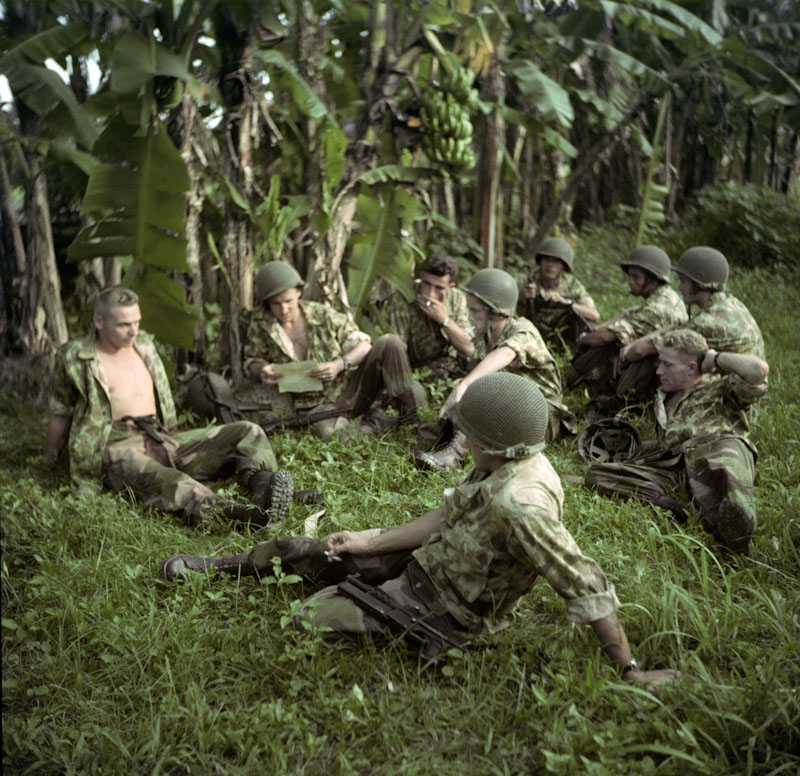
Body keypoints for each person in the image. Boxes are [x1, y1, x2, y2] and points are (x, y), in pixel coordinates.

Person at [159, 373, 678, 690]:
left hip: (447, 607)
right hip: (430, 560)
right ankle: (226, 567)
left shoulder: (523, 505)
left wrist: (629, 668)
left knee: (308, 617)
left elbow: (584, 583)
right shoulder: (501, 463)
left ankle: (372, 609)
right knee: (307, 548)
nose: (462, 443)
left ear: (496, 443)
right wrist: (370, 541)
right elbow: (448, 515)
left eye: (469, 436)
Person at [44, 287, 311, 525]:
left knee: (248, 431)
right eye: (124, 325)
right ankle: (235, 514)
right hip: (116, 444)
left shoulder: (143, 345)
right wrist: (49, 460)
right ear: (99, 322)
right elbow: (61, 412)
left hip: (160, 436)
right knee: (172, 481)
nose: (133, 331)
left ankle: (263, 487)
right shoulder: (75, 357)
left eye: (136, 322)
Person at [585, 329, 768, 554]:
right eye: (660, 363)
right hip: (679, 464)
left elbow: (758, 370)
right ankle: (686, 510)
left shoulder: (721, 388)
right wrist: (629, 445)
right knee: (598, 474)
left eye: (667, 365)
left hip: (718, 449)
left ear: (691, 368)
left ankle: (738, 530)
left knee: (725, 467)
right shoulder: (665, 398)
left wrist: (715, 358)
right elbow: (669, 444)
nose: (659, 371)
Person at [414, 268, 574, 471]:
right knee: (435, 428)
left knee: (479, 393)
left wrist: (465, 384)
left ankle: (455, 455)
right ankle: (453, 441)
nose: (469, 317)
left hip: (540, 412)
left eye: (475, 311)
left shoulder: (523, 330)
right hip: (509, 406)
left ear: (495, 313)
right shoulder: (484, 337)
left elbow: (506, 353)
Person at [242, 262, 421, 439]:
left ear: (298, 292)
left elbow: (364, 346)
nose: (284, 310)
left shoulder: (321, 314)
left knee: (389, 342)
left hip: (349, 389)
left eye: (288, 301)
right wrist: (262, 370)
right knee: (331, 435)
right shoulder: (262, 325)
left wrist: (339, 365)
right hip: (316, 406)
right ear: (267, 303)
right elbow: (252, 361)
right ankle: (374, 423)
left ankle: (411, 419)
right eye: (276, 304)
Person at [615, 247, 764, 409]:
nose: (679, 288)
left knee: (662, 359)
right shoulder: (728, 303)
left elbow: (640, 350)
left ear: (699, 283)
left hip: (732, 401)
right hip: (735, 387)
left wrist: (627, 354)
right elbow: (676, 328)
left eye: (683, 281)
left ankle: (625, 405)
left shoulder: (708, 322)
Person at [567, 246, 687, 399]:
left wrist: (582, 338)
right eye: (630, 276)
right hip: (662, 370)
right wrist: (598, 328)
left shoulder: (658, 308)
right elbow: (629, 313)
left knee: (607, 345)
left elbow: (607, 337)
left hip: (657, 377)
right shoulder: (668, 297)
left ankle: (570, 381)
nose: (630, 282)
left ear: (653, 279)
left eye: (636, 277)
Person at [380, 252, 473, 382]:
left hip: (449, 369)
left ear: (450, 287)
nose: (430, 293)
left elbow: (468, 349)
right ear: (421, 278)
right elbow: (397, 349)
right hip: (412, 371)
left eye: (439, 288)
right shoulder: (403, 297)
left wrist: (443, 319)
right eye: (426, 284)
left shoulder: (456, 298)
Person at [519, 237, 599, 351]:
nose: (550, 265)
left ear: (564, 265)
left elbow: (594, 315)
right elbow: (499, 307)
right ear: (540, 261)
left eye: (556, 261)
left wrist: (565, 302)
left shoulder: (572, 285)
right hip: (526, 333)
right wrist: (521, 296)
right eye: (546, 259)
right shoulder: (525, 280)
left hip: (561, 337)